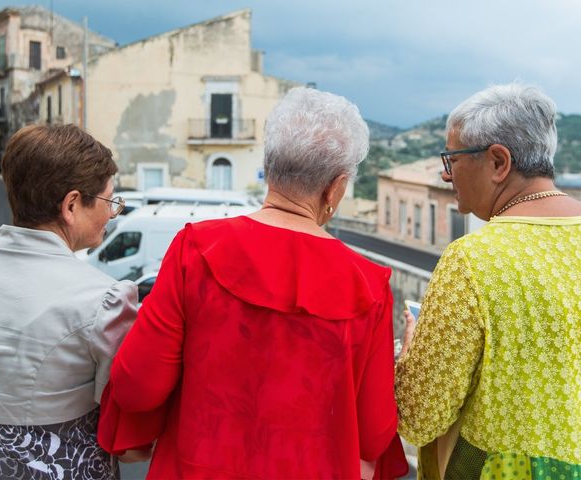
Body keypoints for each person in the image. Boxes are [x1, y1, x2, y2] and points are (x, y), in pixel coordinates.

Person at [98, 87, 409, 479]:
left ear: (269, 164)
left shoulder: (195, 248)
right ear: (336, 187)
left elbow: (137, 386)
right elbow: (374, 435)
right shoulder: (368, 285)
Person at [395, 83, 581, 479]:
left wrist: (411, 358)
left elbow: (418, 417)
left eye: (453, 159)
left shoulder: (473, 260)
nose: (446, 175)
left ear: (498, 162)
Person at [0, 124, 138, 479]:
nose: (113, 213)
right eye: (110, 201)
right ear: (72, 205)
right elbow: (126, 433)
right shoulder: (103, 300)